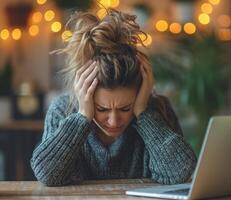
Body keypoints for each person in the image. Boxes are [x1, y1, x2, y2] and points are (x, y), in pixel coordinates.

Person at [31, 8, 197, 186]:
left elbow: (180, 172)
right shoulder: (62, 110)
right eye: (102, 109)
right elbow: (47, 174)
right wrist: (82, 117)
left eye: (125, 108)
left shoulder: (157, 108)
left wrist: (143, 113)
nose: (113, 120)